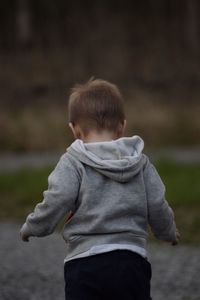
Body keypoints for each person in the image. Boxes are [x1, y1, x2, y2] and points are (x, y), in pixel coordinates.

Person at [20, 78, 180, 300]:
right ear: (122, 126)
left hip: (84, 263)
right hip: (131, 261)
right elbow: (157, 204)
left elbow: (58, 197)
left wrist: (33, 226)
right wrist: (168, 232)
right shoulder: (141, 163)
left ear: (74, 130)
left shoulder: (72, 162)